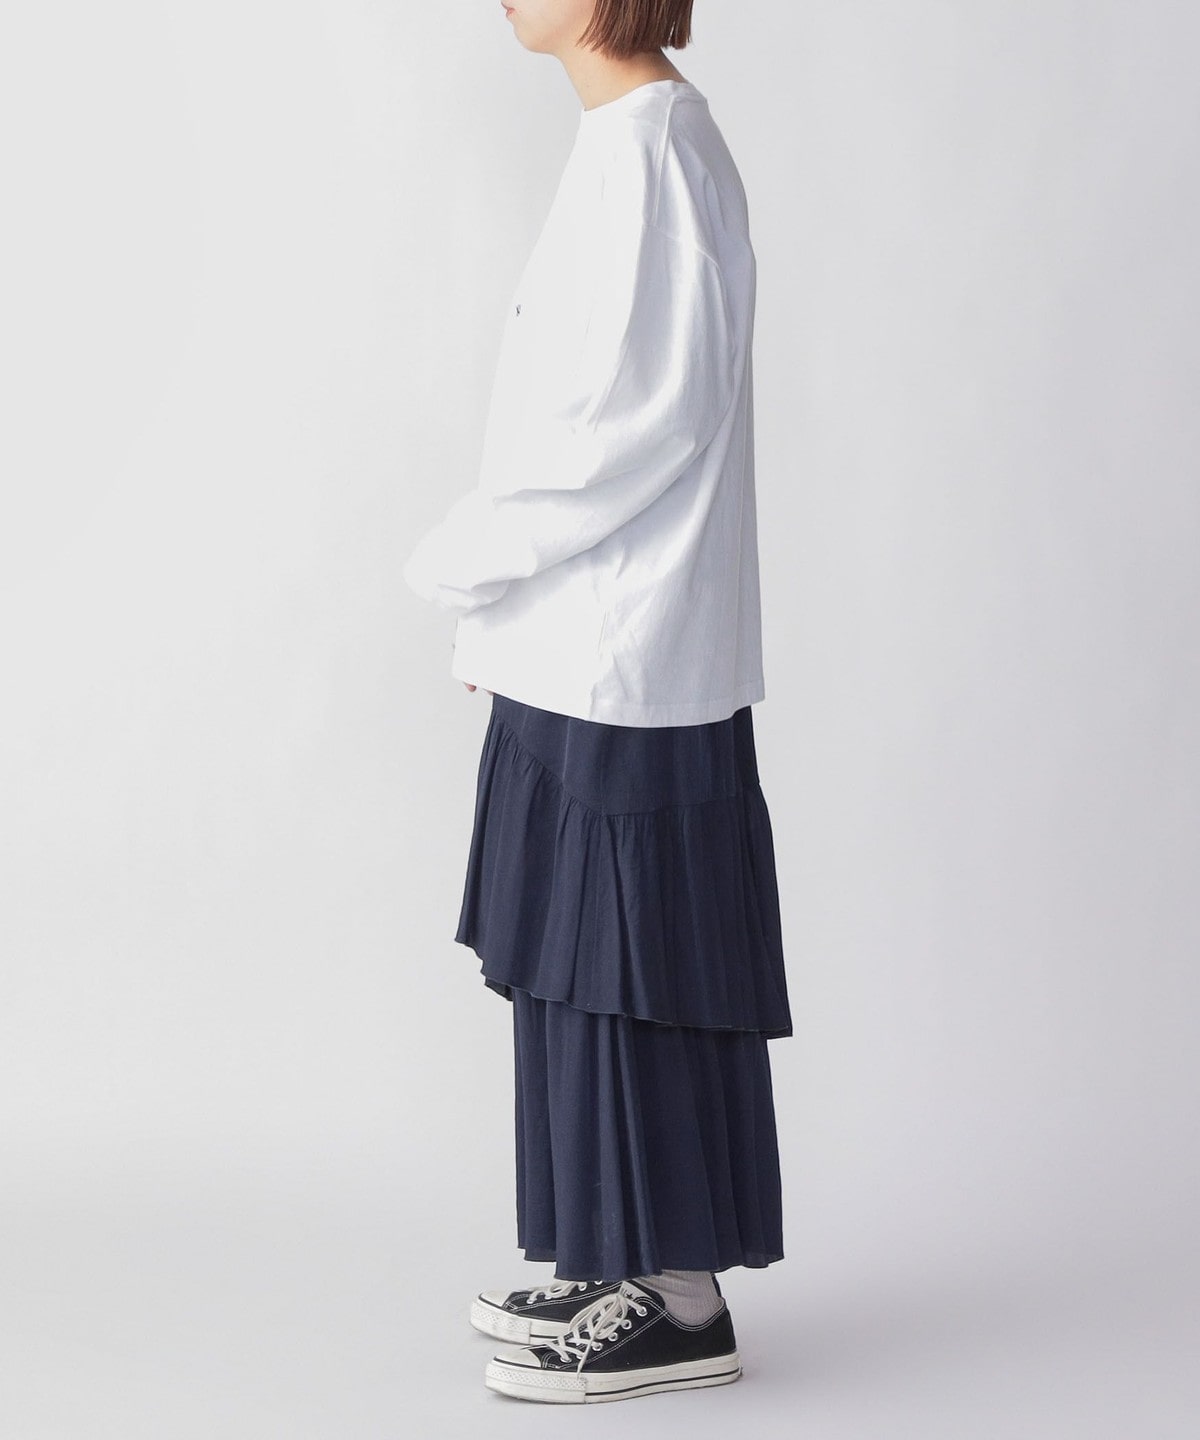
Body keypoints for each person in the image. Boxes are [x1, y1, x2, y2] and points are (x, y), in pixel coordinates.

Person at [403, 0, 793, 1405]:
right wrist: (507, 612)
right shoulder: (629, 140)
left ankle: (678, 1304)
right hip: (588, 640)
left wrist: (467, 562)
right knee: (582, 970)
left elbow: (627, 431)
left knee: (634, 970)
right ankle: (618, 1260)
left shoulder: (655, 153)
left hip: (626, 651)